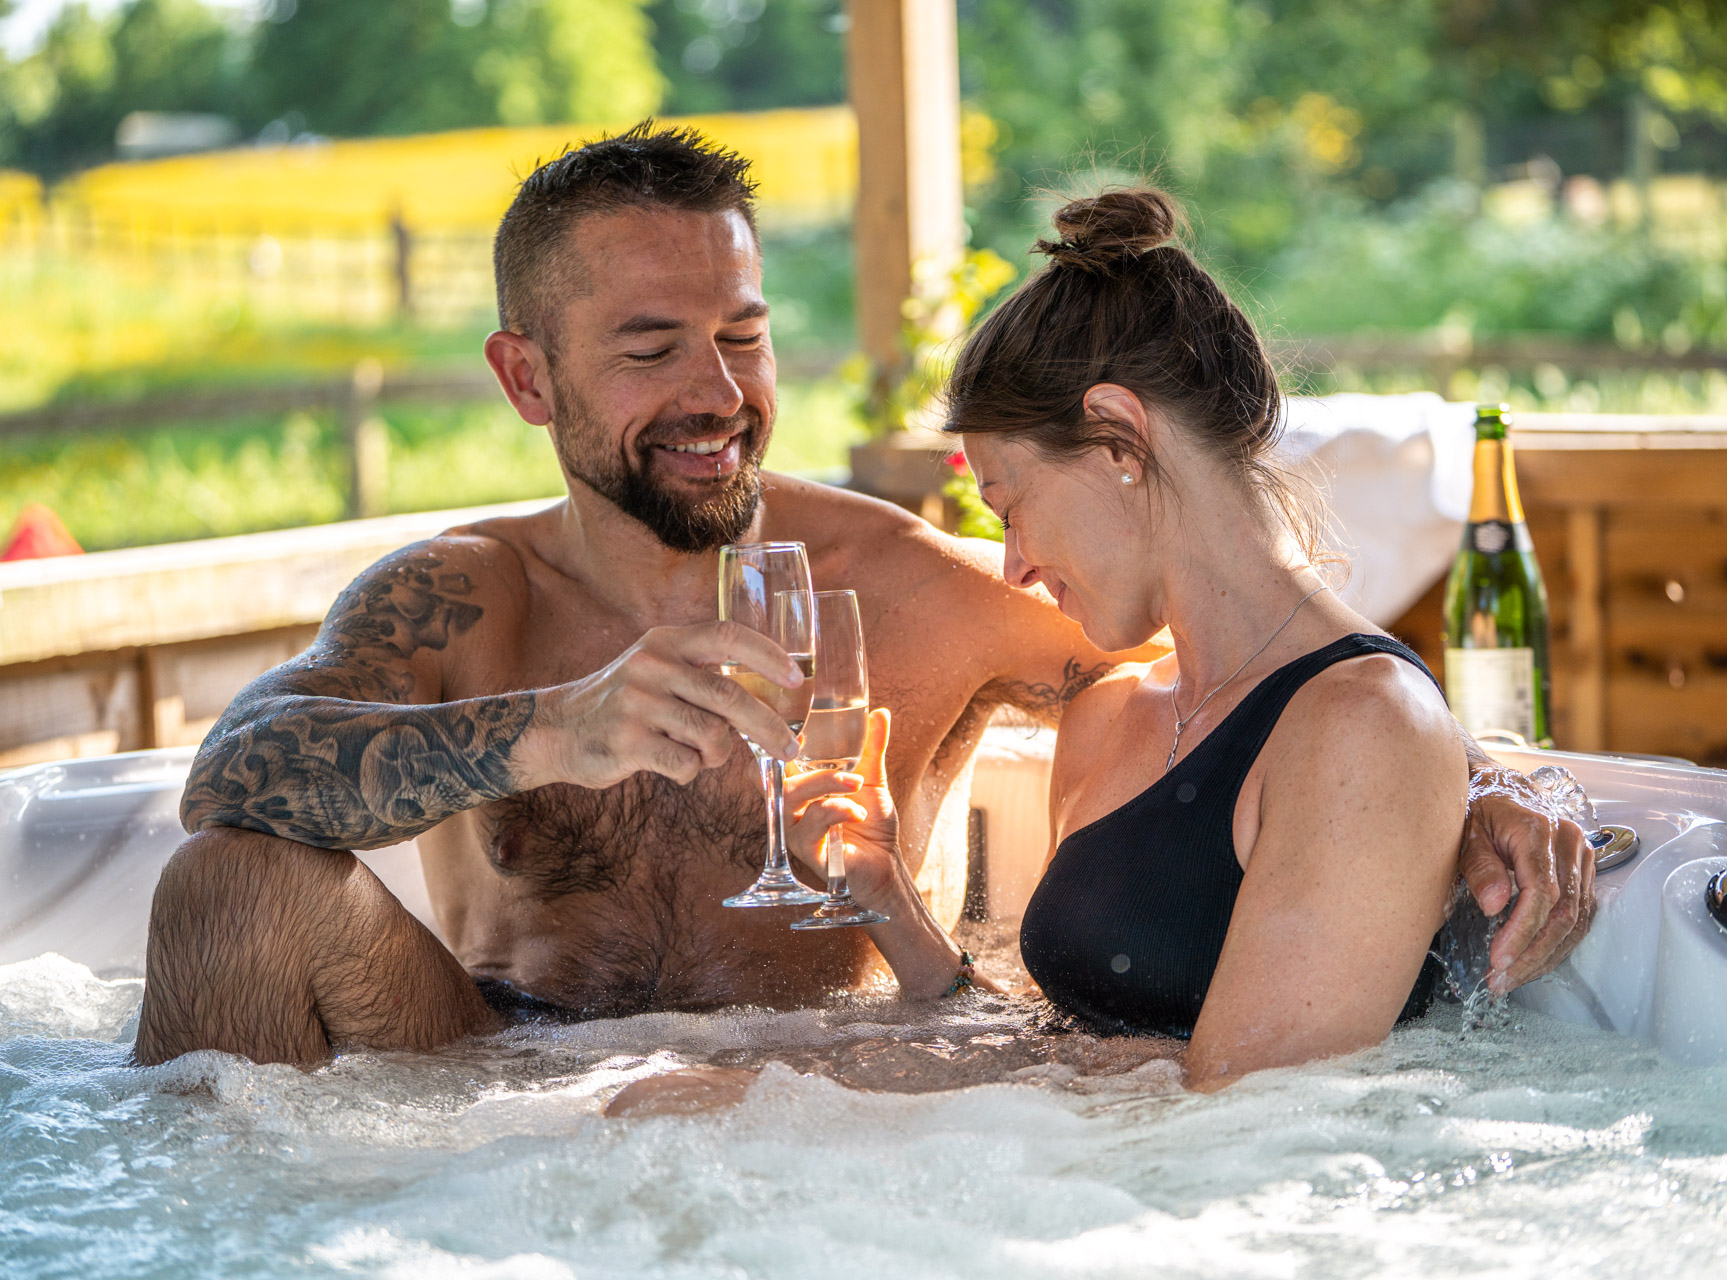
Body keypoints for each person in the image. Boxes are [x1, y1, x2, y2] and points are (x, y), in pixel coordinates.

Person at [133, 125, 1591, 1071]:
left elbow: (1241, 700)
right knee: (226, 896)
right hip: (502, 1085)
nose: (717, 394)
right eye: (651, 348)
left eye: (743, 338)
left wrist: (1484, 782)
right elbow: (233, 778)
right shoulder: (469, 601)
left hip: (814, 1098)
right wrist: (556, 733)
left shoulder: (903, 585)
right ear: (529, 378)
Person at [628, 187, 1532, 1109]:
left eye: (1011, 506)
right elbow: (1063, 1051)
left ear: (1118, 438)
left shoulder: (1364, 727)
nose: (1014, 565)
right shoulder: (1113, 715)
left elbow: (1245, 1119)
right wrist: (891, 907)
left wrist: (804, 1102)